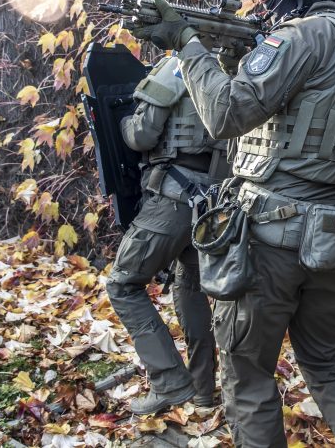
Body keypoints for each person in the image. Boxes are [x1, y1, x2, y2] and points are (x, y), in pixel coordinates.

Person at [131, 0, 335, 447]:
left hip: (273, 236)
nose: (265, 0)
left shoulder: (300, 37)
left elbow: (226, 114)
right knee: (328, 366)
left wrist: (188, 44)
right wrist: (235, 58)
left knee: (248, 375)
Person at [106, 53, 229, 414]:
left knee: (123, 284)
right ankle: (202, 391)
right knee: (190, 286)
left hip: (173, 198)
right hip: (214, 203)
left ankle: (170, 383)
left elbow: (142, 135)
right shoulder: (230, 69)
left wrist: (123, 122)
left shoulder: (177, 66)